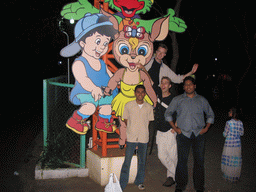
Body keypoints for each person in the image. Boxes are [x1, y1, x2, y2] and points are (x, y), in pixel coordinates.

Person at [60, 13, 118, 134]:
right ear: (82, 43)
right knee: (90, 106)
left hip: (102, 93)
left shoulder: (102, 63)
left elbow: (111, 76)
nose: (102, 47)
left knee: (107, 106)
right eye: (98, 41)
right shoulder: (79, 63)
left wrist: (118, 82)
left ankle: (103, 122)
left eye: (105, 43)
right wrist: (93, 88)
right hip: (85, 92)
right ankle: (75, 120)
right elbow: (83, 79)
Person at [165, 76, 214, 192]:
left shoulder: (202, 100)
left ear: (194, 86)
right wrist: (175, 128)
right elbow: (168, 114)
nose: (188, 86)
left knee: (199, 161)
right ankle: (180, 186)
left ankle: (199, 187)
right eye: (186, 85)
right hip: (183, 135)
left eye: (190, 84)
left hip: (199, 134)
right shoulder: (178, 100)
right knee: (182, 161)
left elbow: (210, 115)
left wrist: (206, 128)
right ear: (183, 87)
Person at [120, 85, 154, 191]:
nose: (140, 94)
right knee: (127, 161)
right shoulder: (129, 105)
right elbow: (125, 119)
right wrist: (132, 128)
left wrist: (141, 129)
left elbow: (148, 122)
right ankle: (122, 184)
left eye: (142, 92)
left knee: (142, 161)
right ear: (135, 93)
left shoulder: (149, 107)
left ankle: (139, 181)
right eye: (138, 92)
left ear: (144, 94)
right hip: (131, 137)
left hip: (143, 138)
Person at [155, 77, 177, 187]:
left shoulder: (173, 99)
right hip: (159, 131)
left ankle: (171, 177)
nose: (163, 85)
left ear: (170, 86)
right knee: (161, 156)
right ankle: (178, 174)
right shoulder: (158, 95)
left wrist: (175, 126)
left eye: (166, 83)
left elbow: (180, 113)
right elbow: (150, 81)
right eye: (162, 83)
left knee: (172, 155)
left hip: (170, 131)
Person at [221, 107, 244, 182]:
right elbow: (241, 133)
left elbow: (225, 134)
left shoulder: (229, 123)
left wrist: (224, 134)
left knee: (229, 159)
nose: (229, 112)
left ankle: (227, 176)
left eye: (230, 111)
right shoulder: (240, 122)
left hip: (229, 144)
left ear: (233, 113)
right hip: (237, 144)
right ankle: (234, 176)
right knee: (235, 160)